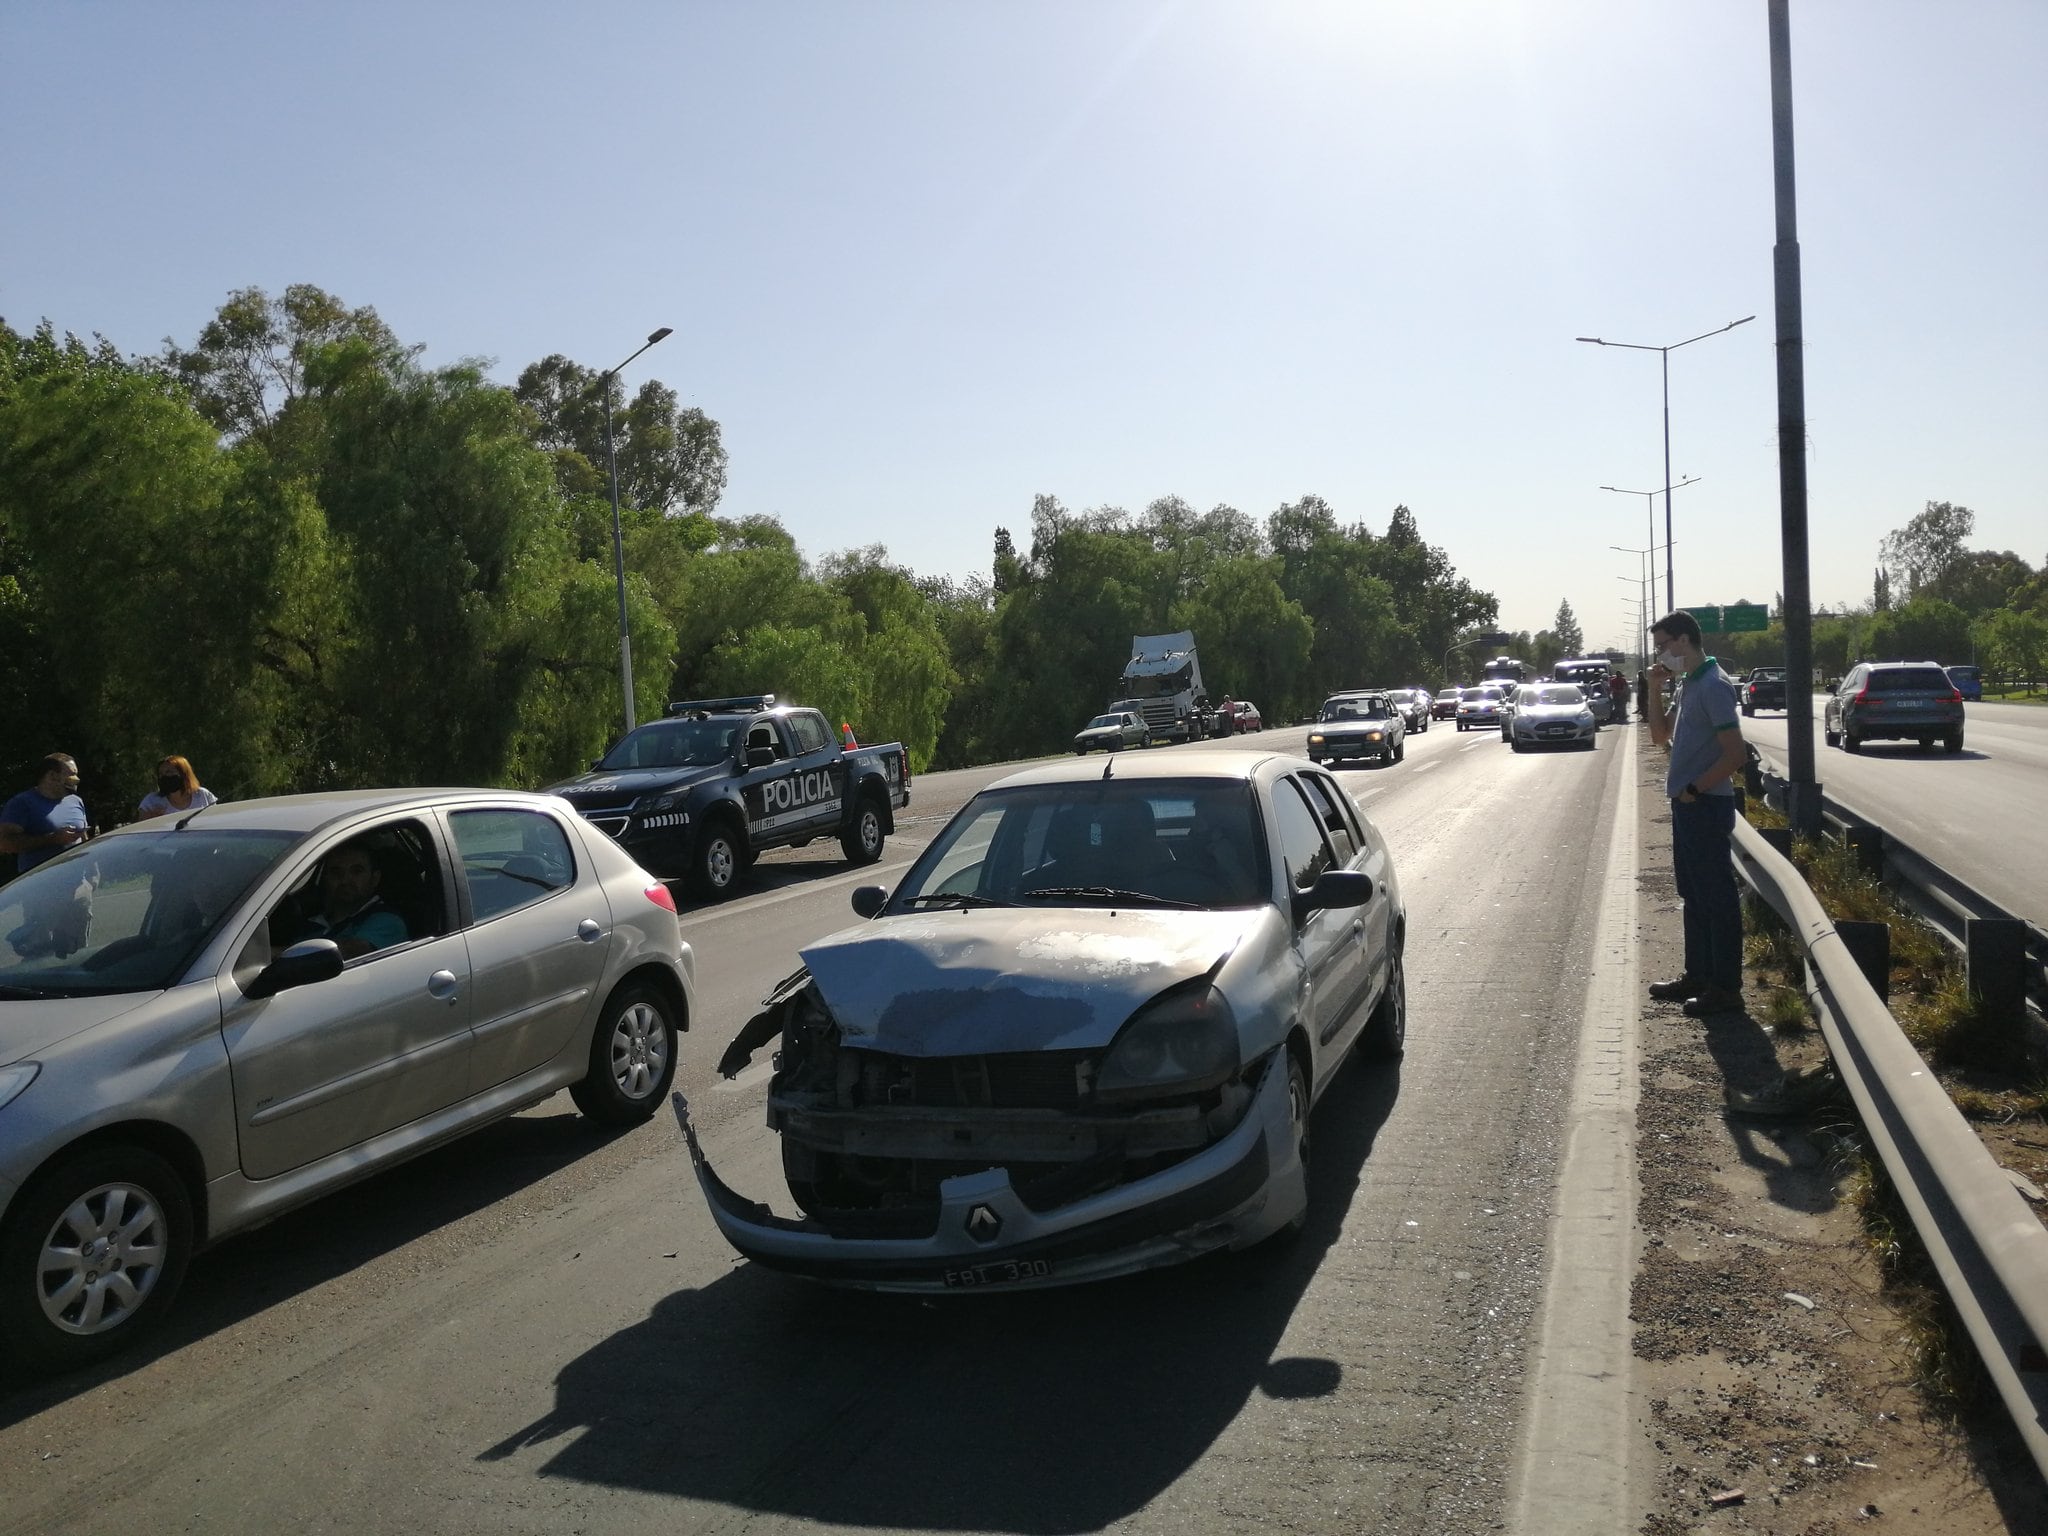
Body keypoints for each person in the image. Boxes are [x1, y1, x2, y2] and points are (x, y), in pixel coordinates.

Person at [1644, 611, 1750, 1016]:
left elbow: (1736, 754)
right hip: (1688, 805)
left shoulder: (1713, 685)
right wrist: (1654, 689)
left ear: (1684, 640)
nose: (1662, 653)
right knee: (1693, 895)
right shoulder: (1690, 684)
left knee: (1717, 899)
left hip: (1705, 804)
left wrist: (1694, 788)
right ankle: (1698, 975)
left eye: (1664, 645)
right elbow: (1659, 736)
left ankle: (1726, 988)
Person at [289, 842, 409, 959]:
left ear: (374, 878)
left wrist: (281, 954)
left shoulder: (388, 920)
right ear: (325, 879)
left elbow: (351, 951)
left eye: (356, 871)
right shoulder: (311, 921)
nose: (345, 880)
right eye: (336, 872)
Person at [0, 754, 89, 878]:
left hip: (79, 883)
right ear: (52, 776)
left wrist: (93, 872)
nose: (77, 779)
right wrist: (52, 838)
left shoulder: (76, 801)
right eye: (72, 775)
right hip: (39, 886)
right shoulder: (21, 803)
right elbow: (5, 844)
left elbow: (83, 837)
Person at [136, 755, 218, 820]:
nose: (164, 777)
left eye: (169, 772)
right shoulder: (152, 801)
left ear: (183, 774)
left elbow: (216, 820)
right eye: (160, 774)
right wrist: (150, 819)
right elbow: (139, 829)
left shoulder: (203, 796)